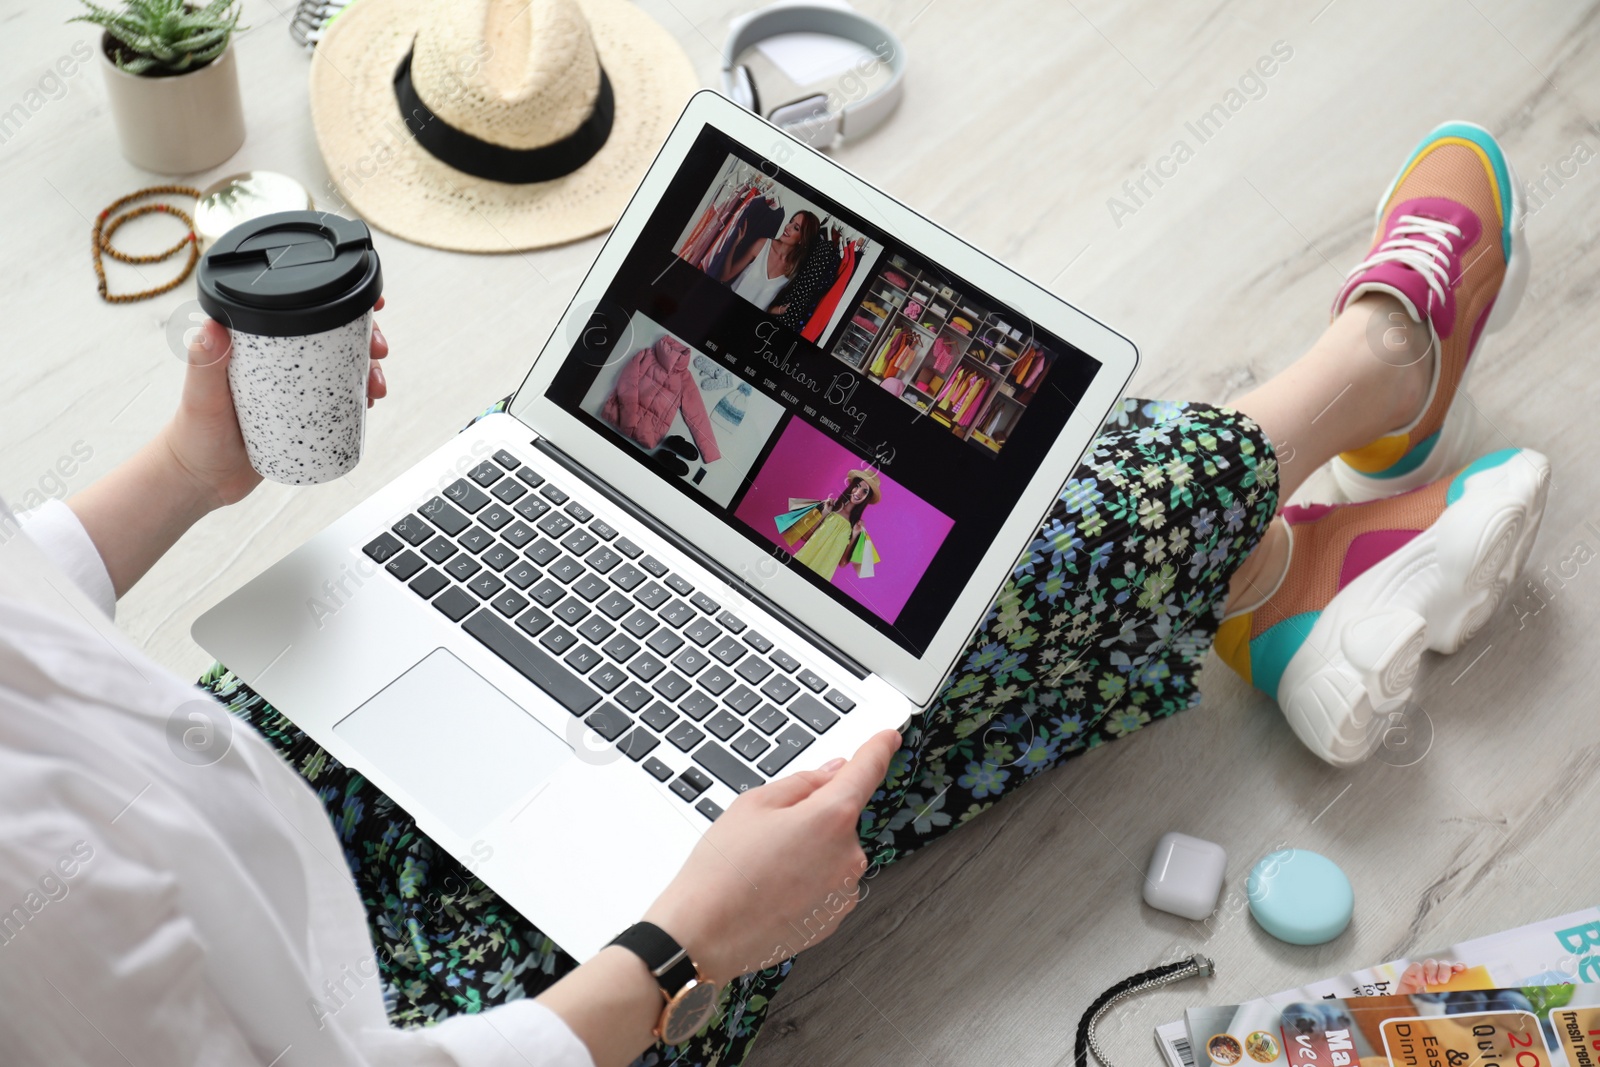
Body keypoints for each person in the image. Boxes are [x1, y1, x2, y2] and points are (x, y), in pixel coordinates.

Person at [1, 122, 1545, 1066]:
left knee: (569, 479)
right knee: (900, 656)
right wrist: (681, 945)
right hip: (432, 1015)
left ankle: (1272, 562)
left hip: (238, 787)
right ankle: (1365, 381)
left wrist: (191, 469)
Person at [720, 209, 819, 312]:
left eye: (796, 228)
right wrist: (734, 244)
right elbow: (725, 277)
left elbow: (766, 306)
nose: (787, 227)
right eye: (790, 221)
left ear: (802, 240)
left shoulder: (793, 271)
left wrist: (780, 310)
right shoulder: (762, 245)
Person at [792, 470, 879, 581]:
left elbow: (842, 563)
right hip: (800, 562)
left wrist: (854, 535)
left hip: (821, 577)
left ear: (867, 497)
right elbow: (804, 537)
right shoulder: (830, 507)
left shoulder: (856, 527)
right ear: (852, 486)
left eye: (865, 491)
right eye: (857, 486)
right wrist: (824, 513)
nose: (858, 492)